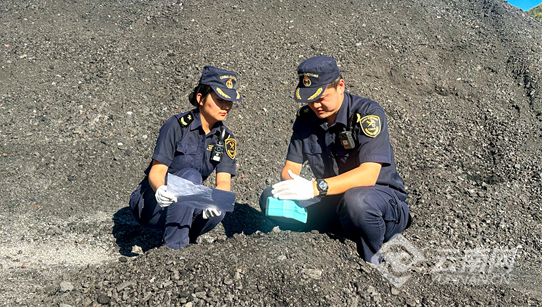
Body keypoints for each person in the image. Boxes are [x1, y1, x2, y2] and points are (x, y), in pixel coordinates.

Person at [260, 55, 410, 264]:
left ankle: (372, 260)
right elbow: (290, 168)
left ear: (340, 86)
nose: (315, 105)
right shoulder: (306, 119)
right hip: (332, 200)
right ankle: (325, 238)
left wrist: (315, 187)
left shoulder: (366, 114)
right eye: (310, 99)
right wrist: (294, 184)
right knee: (271, 197)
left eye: (321, 98)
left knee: (357, 201)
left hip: (379, 203)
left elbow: (368, 175)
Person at [130, 66, 241, 250]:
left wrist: (216, 202)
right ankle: (174, 249)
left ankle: (187, 248)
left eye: (229, 102)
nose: (226, 107)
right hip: (152, 203)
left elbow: (223, 182)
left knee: (220, 206)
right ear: (200, 98)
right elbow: (157, 171)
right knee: (191, 176)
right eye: (220, 100)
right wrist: (160, 189)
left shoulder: (225, 138)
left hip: (184, 204)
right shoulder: (177, 125)